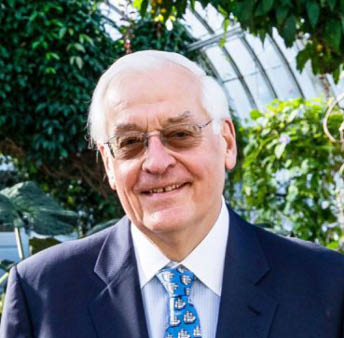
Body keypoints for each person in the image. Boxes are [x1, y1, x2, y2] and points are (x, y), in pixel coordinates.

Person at [1, 50, 344, 338]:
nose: (157, 162)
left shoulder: (326, 285)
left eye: (180, 134)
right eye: (130, 143)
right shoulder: (43, 293)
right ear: (108, 164)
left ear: (226, 143)